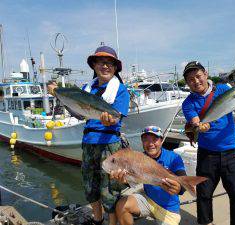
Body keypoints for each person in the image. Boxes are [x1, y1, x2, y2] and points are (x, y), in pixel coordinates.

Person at [48, 45, 130, 225]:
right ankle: (98, 220)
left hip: (109, 145)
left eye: (110, 63)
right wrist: (57, 93)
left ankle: (112, 222)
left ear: (115, 68)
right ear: (94, 65)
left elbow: (117, 117)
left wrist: (111, 120)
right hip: (88, 143)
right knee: (89, 187)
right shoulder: (87, 88)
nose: (106, 66)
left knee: (109, 189)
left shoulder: (121, 90)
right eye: (101, 62)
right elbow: (79, 113)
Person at [181, 61, 235, 225]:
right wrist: (199, 127)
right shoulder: (188, 103)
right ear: (187, 83)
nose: (195, 81)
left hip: (230, 152)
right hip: (206, 154)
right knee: (204, 194)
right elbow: (195, 121)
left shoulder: (223, 89)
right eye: (190, 79)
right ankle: (205, 222)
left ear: (206, 74)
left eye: (198, 76)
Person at [110, 125, 187, 225]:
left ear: (161, 140)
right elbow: (133, 179)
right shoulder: (139, 158)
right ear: (142, 142)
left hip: (168, 209)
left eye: (155, 139)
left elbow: (183, 185)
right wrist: (125, 181)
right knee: (121, 205)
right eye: (145, 140)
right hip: (148, 199)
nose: (150, 144)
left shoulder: (173, 157)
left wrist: (179, 188)